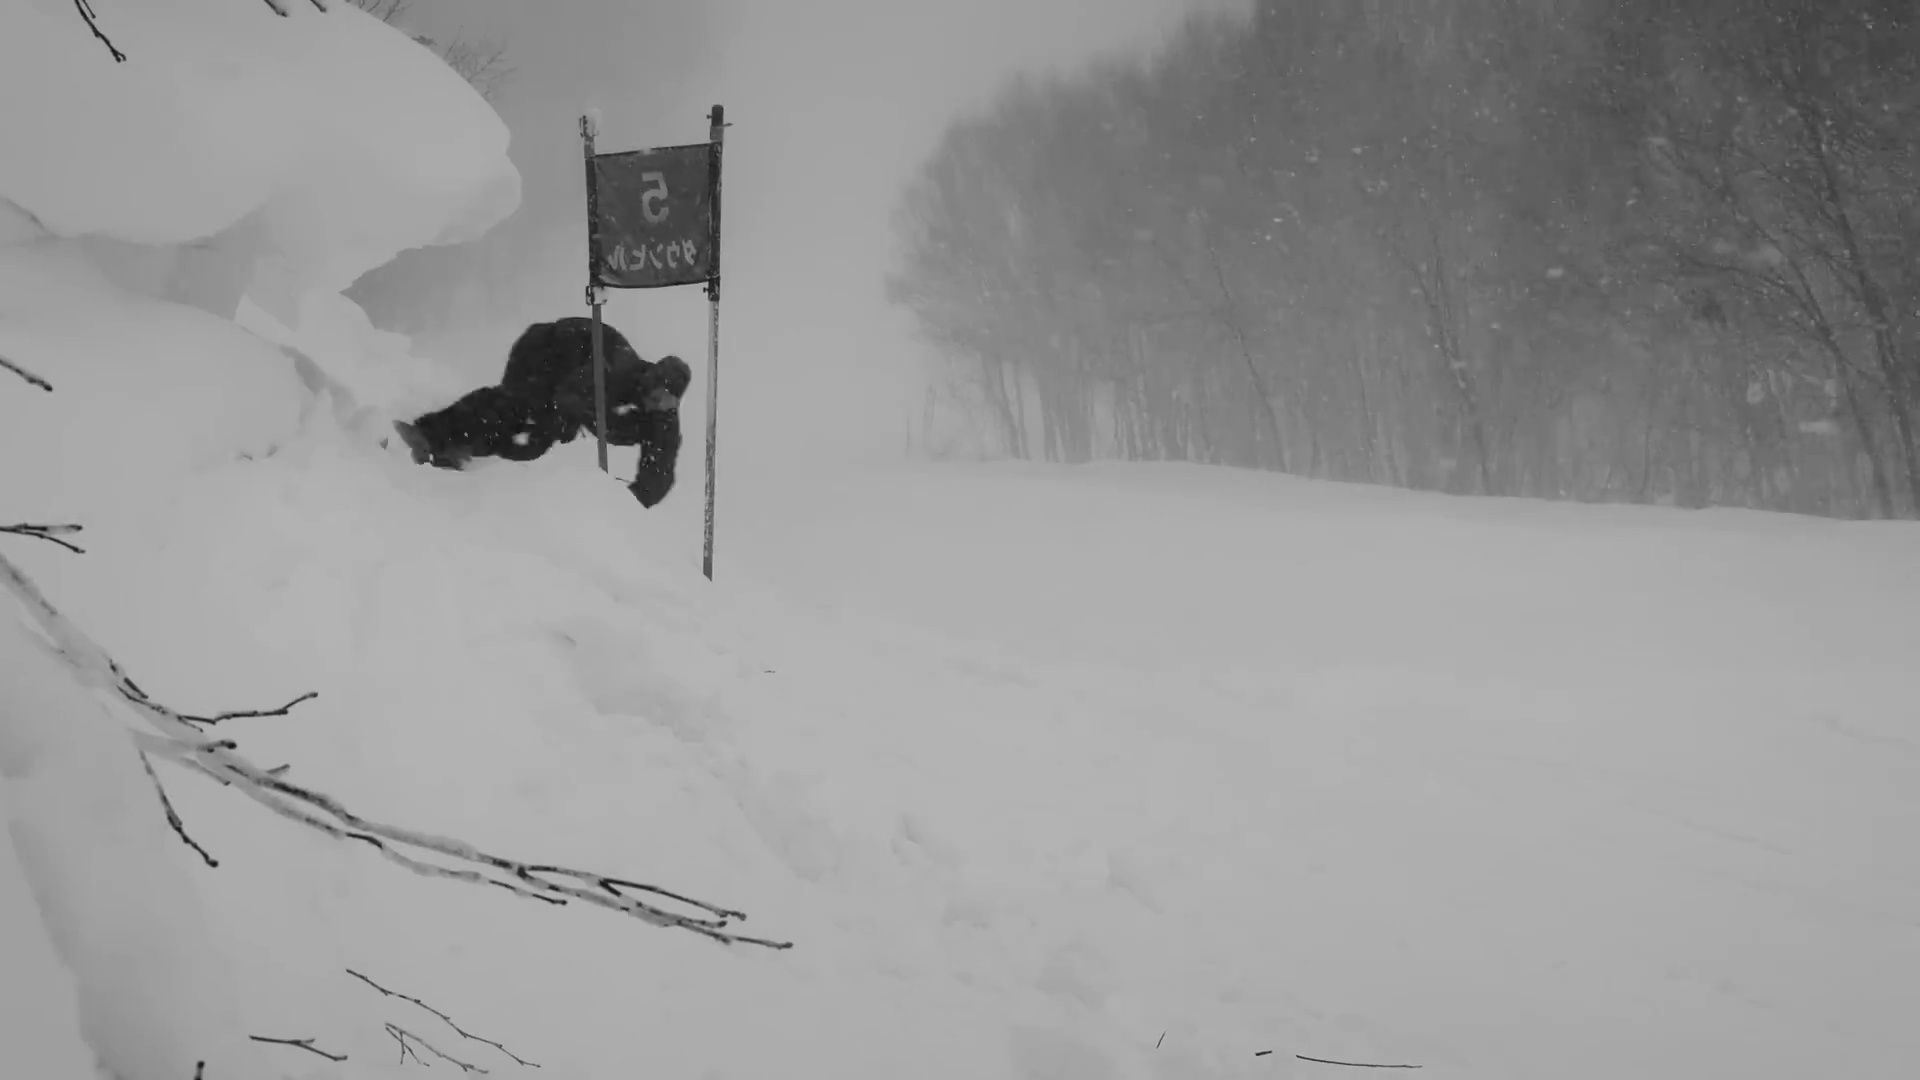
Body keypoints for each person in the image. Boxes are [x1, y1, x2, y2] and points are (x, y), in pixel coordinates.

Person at [392, 317, 692, 507]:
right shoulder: (616, 370)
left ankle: (460, 449)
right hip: (544, 350)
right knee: (518, 410)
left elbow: (659, 471)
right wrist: (599, 424)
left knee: (532, 441)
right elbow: (569, 398)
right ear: (648, 382)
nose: (656, 406)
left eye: (666, 404)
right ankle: (428, 435)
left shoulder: (662, 415)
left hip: (571, 382)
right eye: (656, 397)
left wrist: (628, 506)